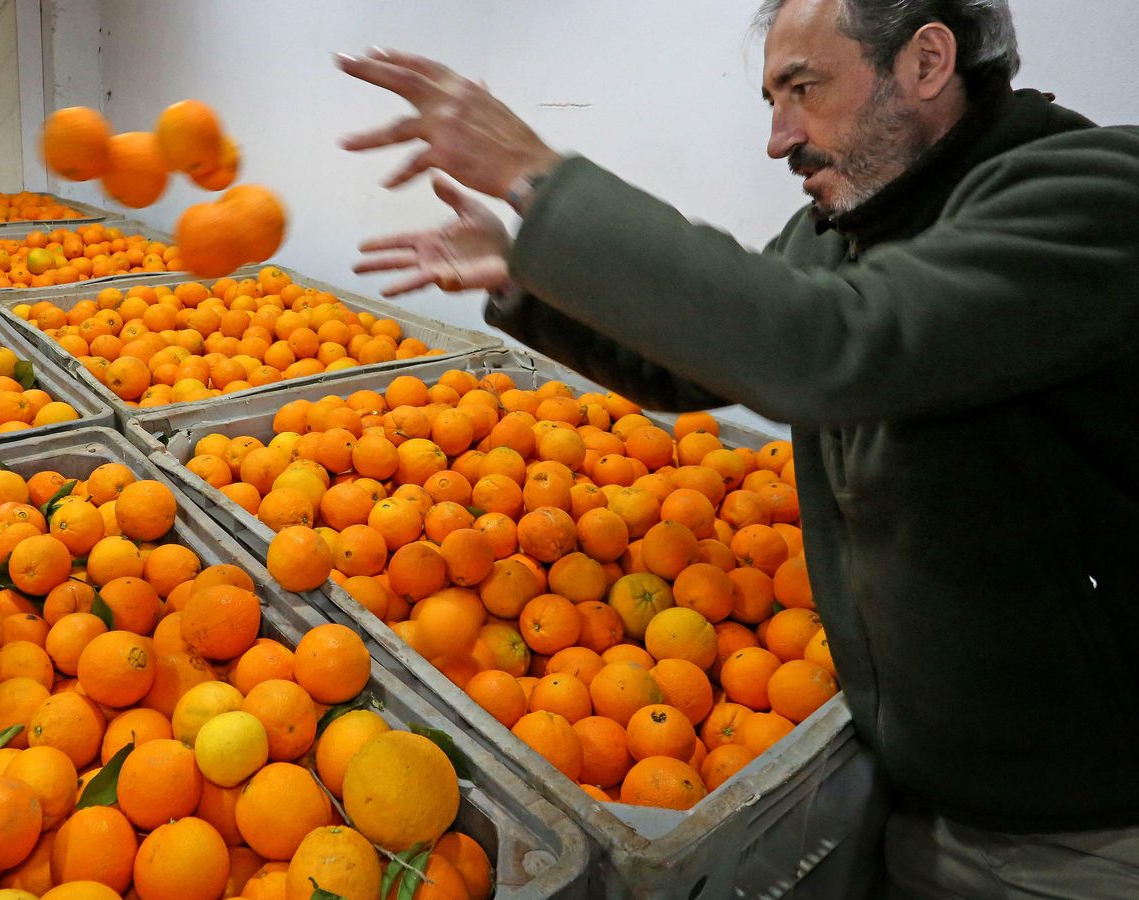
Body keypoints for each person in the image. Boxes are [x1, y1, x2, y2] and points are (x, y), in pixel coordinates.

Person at [337, 1, 1139, 897]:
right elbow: (695, 363)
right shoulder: (854, 225)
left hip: (1081, 828)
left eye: (804, 89)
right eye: (771, 99)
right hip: (913, 779)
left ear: (926, 60)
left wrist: (540, 176)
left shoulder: (1094, 193)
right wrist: (526, 273)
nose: (778, 137)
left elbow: (827, 345)